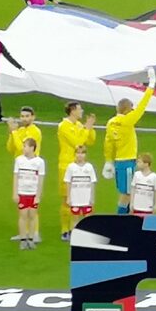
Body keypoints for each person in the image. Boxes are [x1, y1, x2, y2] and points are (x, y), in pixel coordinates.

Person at [103, 70, 156, 214]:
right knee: (127, 194)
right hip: (127, 162)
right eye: (131, 109)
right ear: (127, 110)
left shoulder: (110, 123)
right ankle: (121, 220)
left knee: (126, 192)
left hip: (118, 161)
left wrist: (108, 161)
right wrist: (151, 85)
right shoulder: (127, 120)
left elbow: (108, 143)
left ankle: (124, 217)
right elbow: (142, 106)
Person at [55, 102, 97, 239]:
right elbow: (77, 143)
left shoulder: (79, 125)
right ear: (72, 111)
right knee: (66, 199)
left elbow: (90, 141)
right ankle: (65, 229)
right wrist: (86, 128)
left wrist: (90, 128)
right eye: (80, 109)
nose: (82, 111)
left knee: (82, 197)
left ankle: (80, 228)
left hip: (80, 166)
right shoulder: (63, 126)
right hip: (66, 165)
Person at [13, 137, 47, 247]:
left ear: (32, 148)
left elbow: (41, 179)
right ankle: (23, 239)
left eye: (25, 146)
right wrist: (15, 192)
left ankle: (31, 239)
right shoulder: (19, 160)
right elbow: (15, 176)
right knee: (23, 215)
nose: (23, 148)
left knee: (32, 215)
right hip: (22, 192)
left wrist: (38, 195)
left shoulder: (40, 162)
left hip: (33, 193)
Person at [64, 143, 98, 231]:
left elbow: (92, 183)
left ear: (85, 155)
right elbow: (68, 182)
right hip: (75, 199)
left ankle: (86, 236)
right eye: (78, 153)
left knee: (87, 220)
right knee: (75, 219)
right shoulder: (71, 167)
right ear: (75, 154)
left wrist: (92, 197)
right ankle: (74, 235)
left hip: (86, 199)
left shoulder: (89, 167)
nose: (80, 155)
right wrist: (68, 197)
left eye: (82, 153)